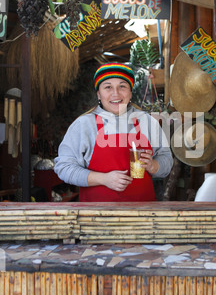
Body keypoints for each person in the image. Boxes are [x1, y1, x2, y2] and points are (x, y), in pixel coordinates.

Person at [54, 62, 173, 202]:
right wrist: (103, 179)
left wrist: (154, 165)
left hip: (143, 214)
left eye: (122, 86)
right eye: (108, 87)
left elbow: (166, 159)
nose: (115, 93)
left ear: (130, 92)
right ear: (99, 94)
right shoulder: (84, 125)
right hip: (96, 217)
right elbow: (64, 167)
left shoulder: (147, 122)